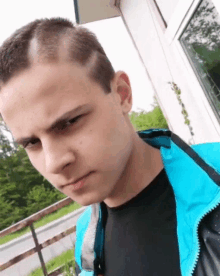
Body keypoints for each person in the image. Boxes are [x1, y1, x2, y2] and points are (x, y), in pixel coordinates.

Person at [0, 17, 219, 276]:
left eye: (69, 122)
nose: (54, 162)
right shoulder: (87, 243)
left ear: (121, 94)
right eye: (31, 143)